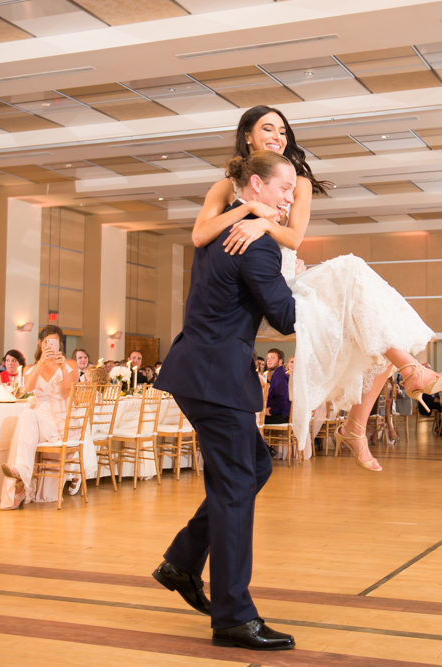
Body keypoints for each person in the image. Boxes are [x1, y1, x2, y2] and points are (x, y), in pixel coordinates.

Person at [190, 114, 442, 472]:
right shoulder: (226, 188)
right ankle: (403, 377)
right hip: (264, 292)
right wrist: (250, 211)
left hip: (286, 277)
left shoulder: (296, 182)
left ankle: (361, 420)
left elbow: (295, 238)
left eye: (283, 131)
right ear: (247, 137)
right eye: (268, 129)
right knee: (353, 277)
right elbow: (199, 235)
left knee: (369, 305)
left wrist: (265, 223)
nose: (278, 136)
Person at [152, 152, 299, 652]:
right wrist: (329, 298)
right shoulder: (253, 243)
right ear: (256, 184)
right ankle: (234, 615)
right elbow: (284, 315)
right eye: (285, 189)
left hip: (200, 370)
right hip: (216, 376)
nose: (290, 199)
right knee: (237, 485)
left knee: (252, 469)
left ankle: (183, 560)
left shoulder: (225, 228)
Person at [0, 325, 80, 510]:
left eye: (55, 342)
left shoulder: (70, 364)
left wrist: (62, 367)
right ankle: (21, 471)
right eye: (46, 342)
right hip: (42, 417)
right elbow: (27, 388)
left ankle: (20, 481)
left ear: (60, 344)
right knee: (28, 414)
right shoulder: (30, 367)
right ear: (40, 343)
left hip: (63, 419)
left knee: (28, 416)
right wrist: (41, 364)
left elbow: (70, 392)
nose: (51, 346)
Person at [264, 348, 289, 425]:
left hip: (281, 415)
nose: (269, 360)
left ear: (280, 361)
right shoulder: (281, 373)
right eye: (268, 358)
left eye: (272, 358)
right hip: (283, 413)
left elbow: (283, 397)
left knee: (252, 420)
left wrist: (271, 411)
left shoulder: (279, 375)